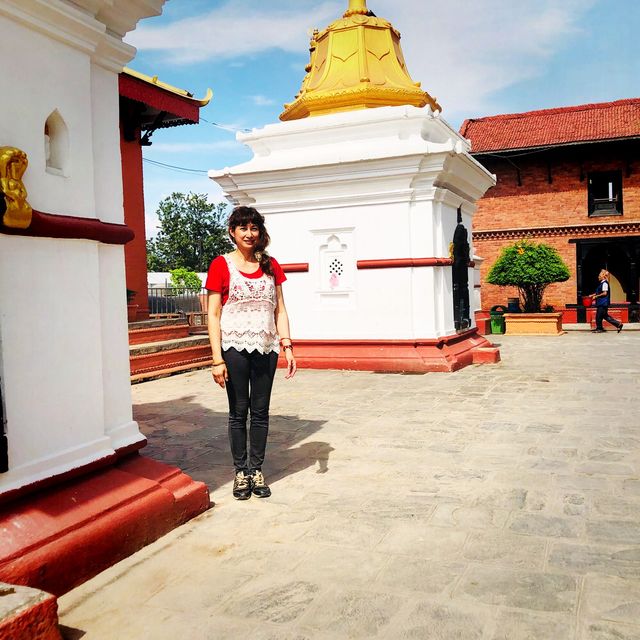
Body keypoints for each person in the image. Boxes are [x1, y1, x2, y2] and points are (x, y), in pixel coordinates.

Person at [206, 206, 296, 500]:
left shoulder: (271, 265)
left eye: (254, 228)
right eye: (242, 228)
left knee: (260, 412)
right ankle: (240, 473)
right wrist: (217, 359)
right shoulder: (221, 265)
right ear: (232, 232)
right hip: (233, 347)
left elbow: (280, 309)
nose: (249, 233)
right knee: (238, 411)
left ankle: (256, 470)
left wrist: (287, 344)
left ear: (260, 232)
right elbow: (213, 314)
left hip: (266, 348)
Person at [591, 269, 623, 333]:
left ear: (603, 276)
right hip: (602, 303)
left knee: (598, 316)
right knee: (605, 316)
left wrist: (596, 296)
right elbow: (600, 291)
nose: (598, 277)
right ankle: (618, 324)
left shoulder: (604, 283)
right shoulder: (602, 283)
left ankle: (599, 328)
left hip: (603, 303)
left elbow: (604, 293)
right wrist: (592, 295)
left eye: (599, 276)